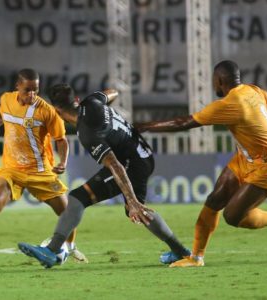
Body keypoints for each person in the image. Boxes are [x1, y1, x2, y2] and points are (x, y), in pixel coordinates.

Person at [136, 60, 267, 268]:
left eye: (214, 81)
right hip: (245, 159)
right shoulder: (252, 90)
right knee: (214, 200)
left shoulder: (229, 104)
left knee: (232, 216)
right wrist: (255, 127)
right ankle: (196, 257)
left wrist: (146, 126)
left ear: (220, 80)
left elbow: (183, 123)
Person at [18, 84, 190, 269]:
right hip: (140, 154)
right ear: (76, 100)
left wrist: (131, 200)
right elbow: (113, 91)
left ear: (57, 111)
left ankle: (52, 250)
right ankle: (180, 252)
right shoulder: (92, 101)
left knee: (81, 198)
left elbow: (115, 165)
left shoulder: (87, 132)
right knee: (132, 210)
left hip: (131, 163)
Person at [0, 69, 87, 269]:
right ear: (18, 86)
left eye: (35, 90)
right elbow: (1, 115)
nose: (32, 95)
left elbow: (61, 140)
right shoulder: (6, 100)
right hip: (12, 170)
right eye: (27, 90)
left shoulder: (46, 111)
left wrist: (63, 161)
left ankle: (70, 248)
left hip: (40, 172)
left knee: (67, 212)